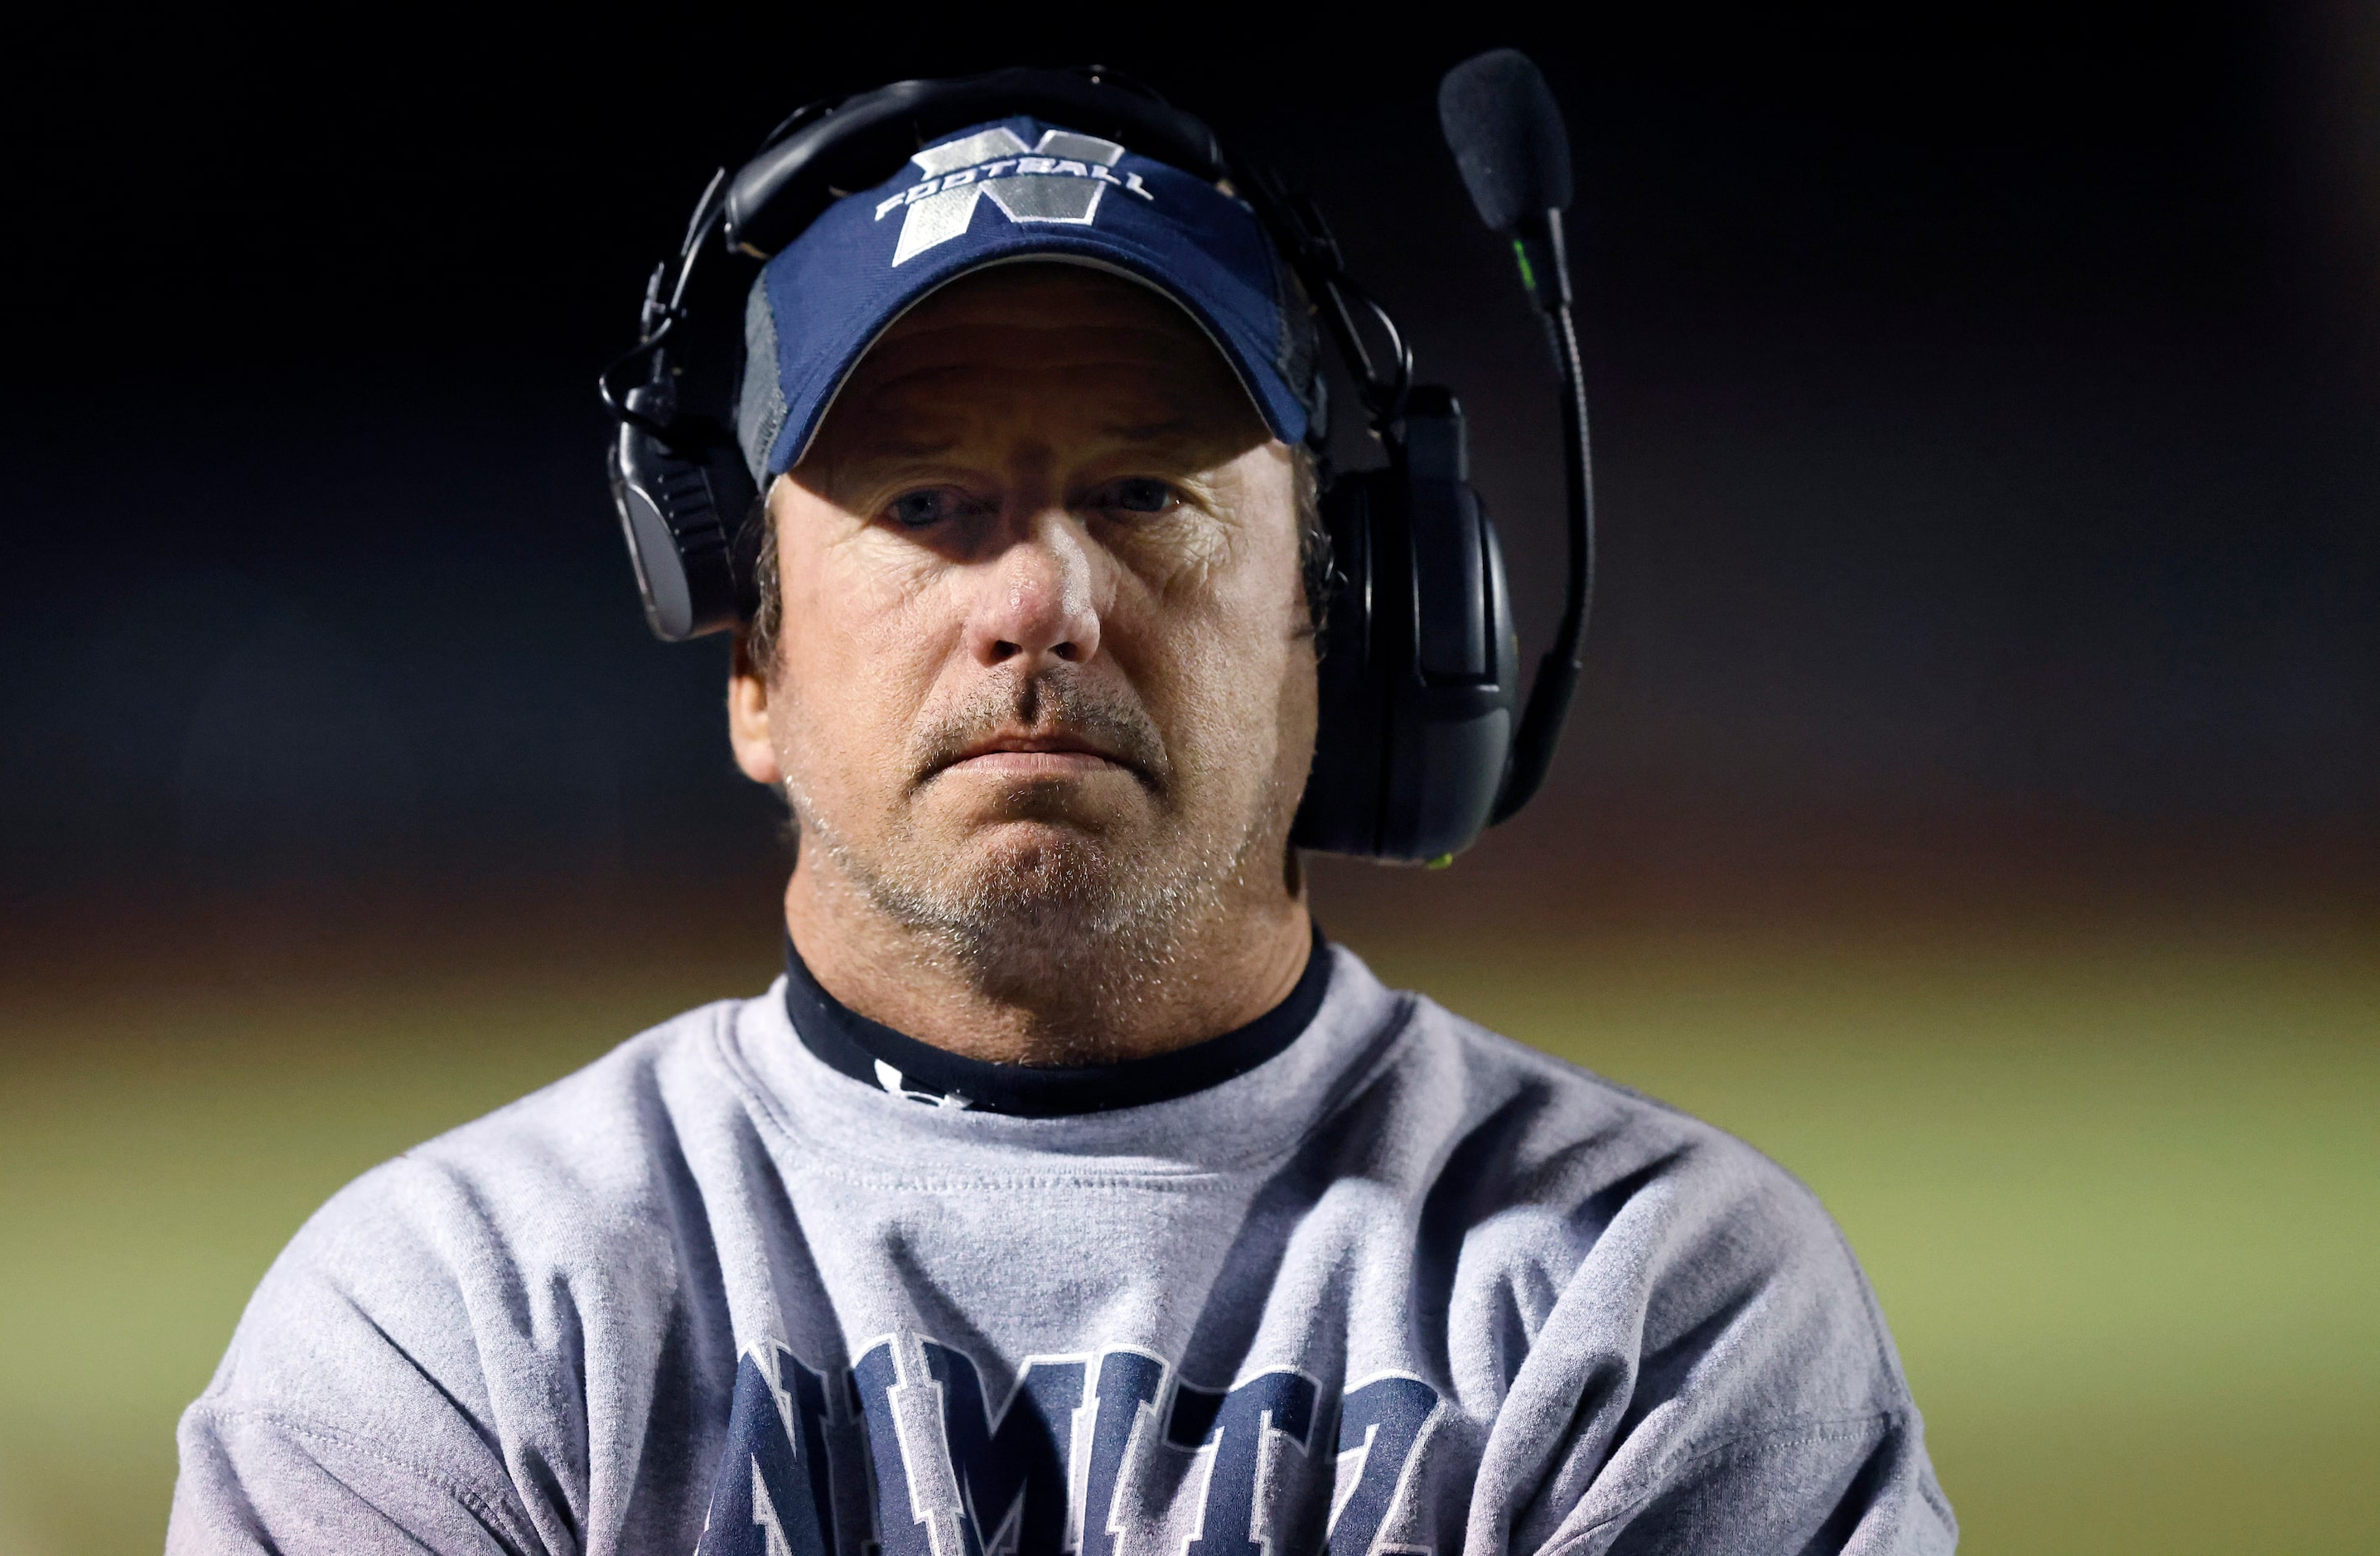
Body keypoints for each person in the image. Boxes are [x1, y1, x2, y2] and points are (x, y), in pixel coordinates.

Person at [167, 84, 1956, 1556]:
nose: (1039, 598)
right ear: (753, 662)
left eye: (1143, 491)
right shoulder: (458, 1321)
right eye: (929, 496)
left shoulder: (1654, 1299)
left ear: (1345, 624)